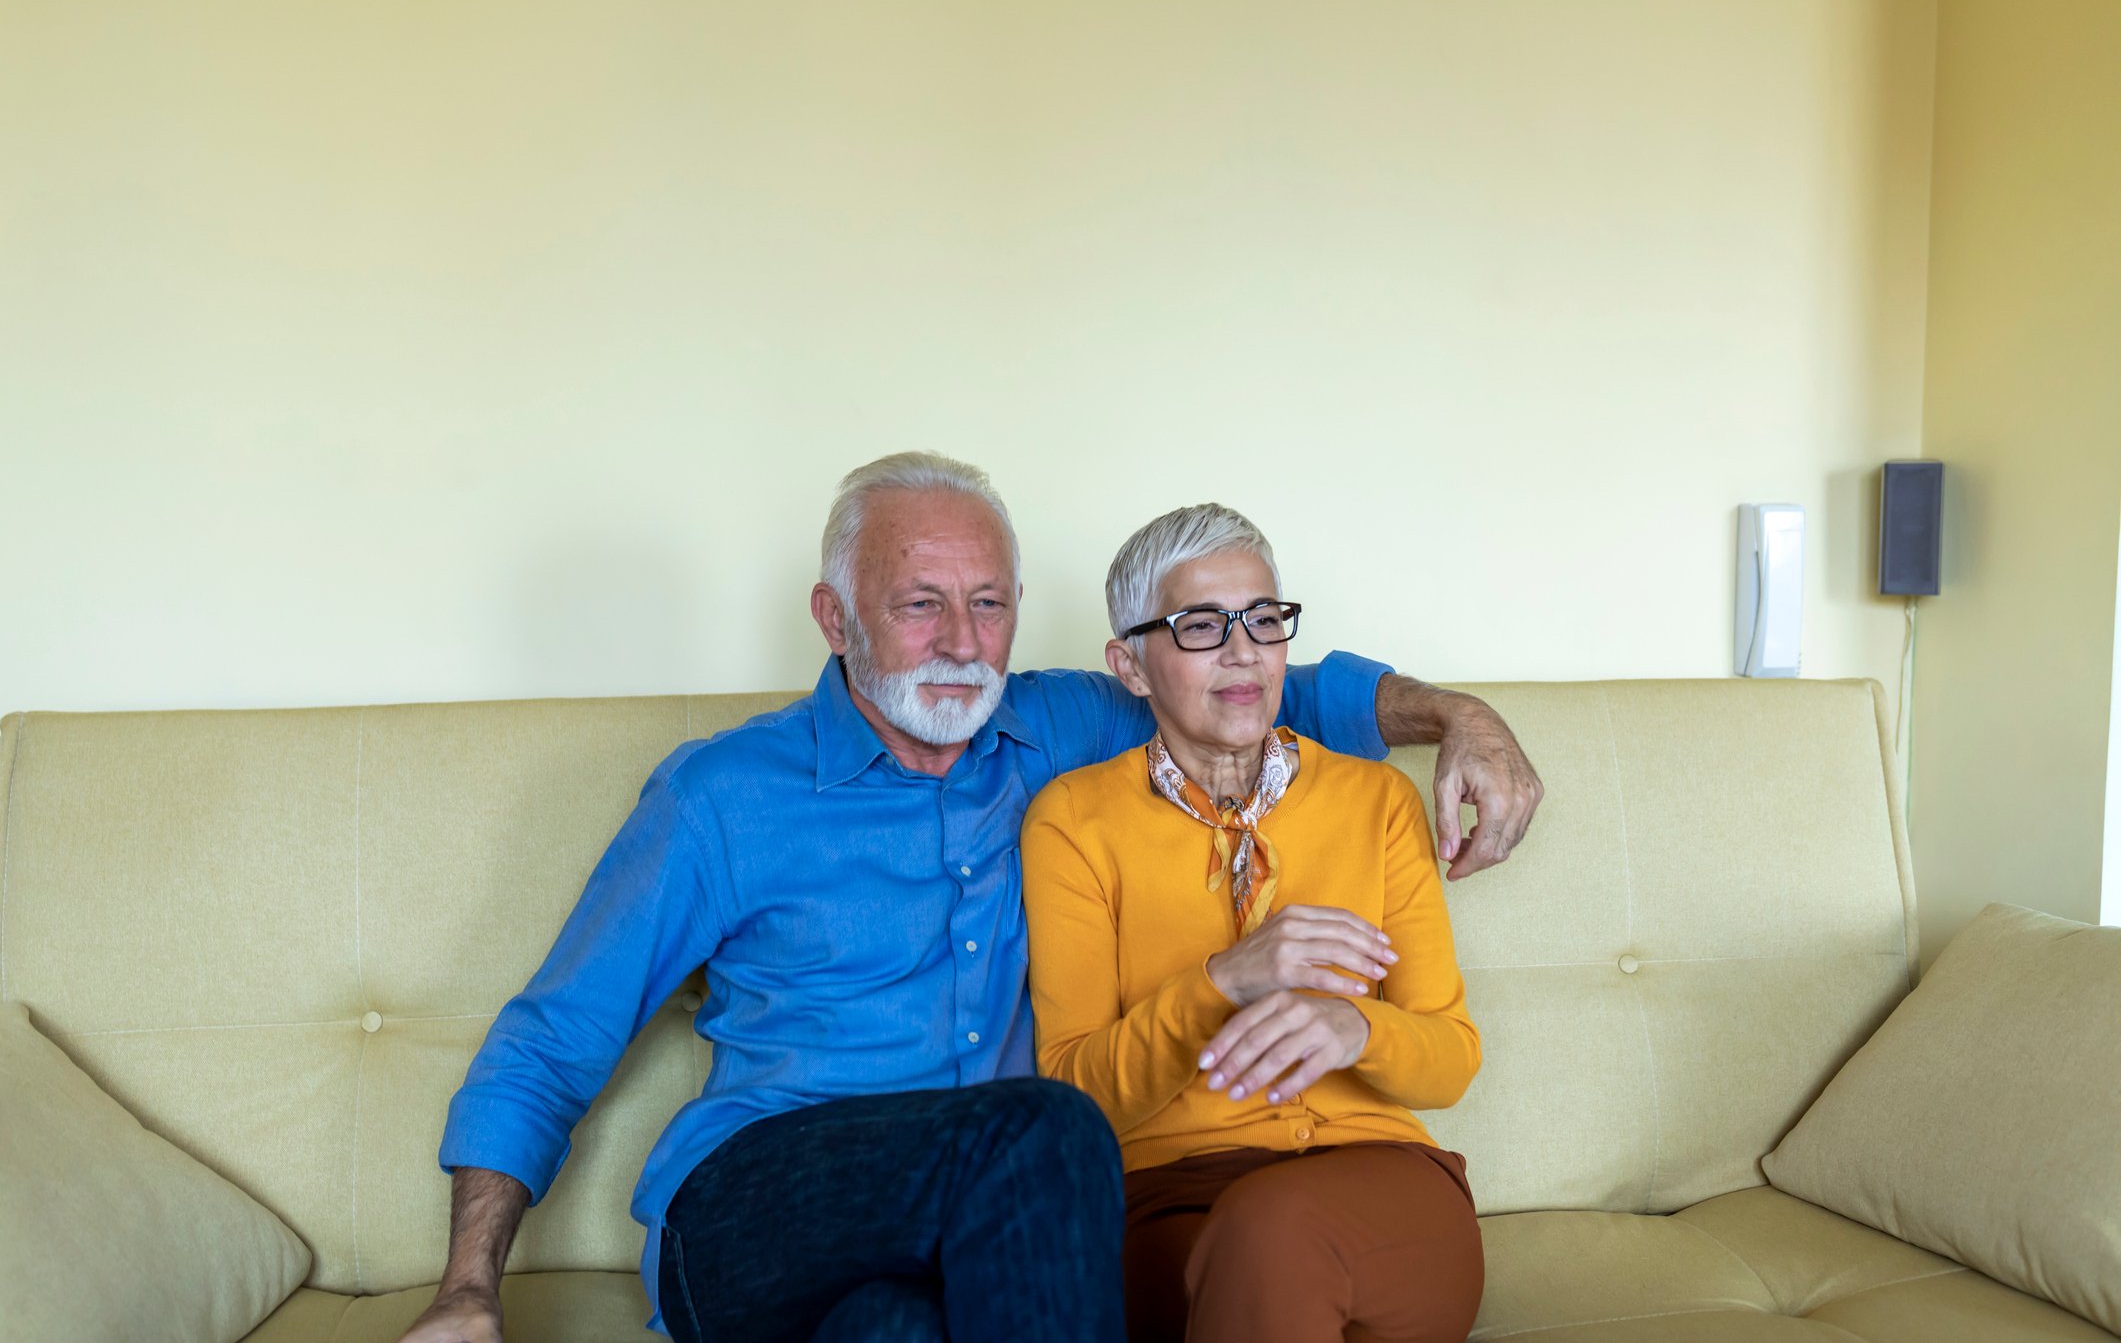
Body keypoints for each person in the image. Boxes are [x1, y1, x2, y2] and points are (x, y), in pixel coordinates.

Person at [398, 454, 1539, 1343]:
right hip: (762, 1199)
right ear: (834, 617)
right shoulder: (720, 797)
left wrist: (1459, 718)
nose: (961, 642)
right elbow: (555, 1040)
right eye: (919, 605)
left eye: (989, 604)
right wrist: (467, 1291)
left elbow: (1251, 685)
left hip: (963, 1233)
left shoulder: (1054, 725)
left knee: (895, 1330)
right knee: (1048, 1125)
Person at [1023, 503, 1483, 1343]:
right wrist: (1220, 983)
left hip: (1384, 1185)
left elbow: (1449, 1063)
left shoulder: (1376, 802)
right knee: (1262, 1240)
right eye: (1201, 626)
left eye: (1264, 620)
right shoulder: (1073, 822)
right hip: (1171, 1198)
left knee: (1278, 1229)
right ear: (1129, 667)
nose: (1243, 651)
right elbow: (1073, 1097)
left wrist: (1355, 1027)